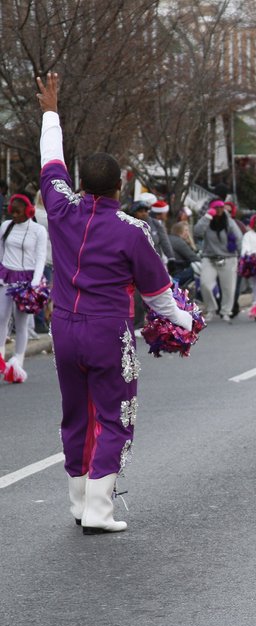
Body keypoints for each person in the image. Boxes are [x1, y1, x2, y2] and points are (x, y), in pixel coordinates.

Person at [35, 72, 193, 534]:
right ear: (120, 187)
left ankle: (79, 502)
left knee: (75, 413)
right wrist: (186, 321)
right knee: (114, 416)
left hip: (64, 329)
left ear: (82, 183)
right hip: (107, 332)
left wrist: (51, 110)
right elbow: (159, 295)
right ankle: (100, 512)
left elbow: (50, 159)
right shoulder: (133, 230)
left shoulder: (60, 206)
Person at [0, 193, 48, 383]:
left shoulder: (38, 231)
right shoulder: (5, 227)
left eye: (19, 213)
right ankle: (1, 356)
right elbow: (1, 251)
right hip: (6, 277)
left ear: (29, 211)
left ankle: (18, 362)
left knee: (21, 324)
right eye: (12, 212)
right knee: (1, 318)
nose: (15, 216)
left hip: (27, 280)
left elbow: (41, 256)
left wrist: (35, 282)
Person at [194, 199, 242, 322]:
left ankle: (226, 311)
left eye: (221, 207)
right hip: (209, 258)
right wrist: (207, 217)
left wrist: (241, 255)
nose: (219, 210)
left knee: (228, 288)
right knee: (205, 284)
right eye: (216, 208)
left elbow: (238, 237)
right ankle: (211, 309)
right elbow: (197, 232)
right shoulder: (207, 221)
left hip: (229, 258)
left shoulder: (229, 222)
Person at [168, 221, 199, 291]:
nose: (188, 233)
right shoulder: (179, 242)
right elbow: (193, 257)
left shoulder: (170, 238)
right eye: (186, 230)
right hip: (176, 271)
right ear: (179, 230)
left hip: (170, 270)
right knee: (197, 268)